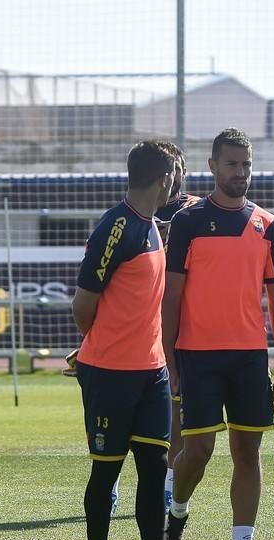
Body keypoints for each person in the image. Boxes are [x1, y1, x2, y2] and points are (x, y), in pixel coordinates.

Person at [72, 140, 206, 540]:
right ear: (165, 178)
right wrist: (99, 347)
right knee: (106, 470)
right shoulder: (117, 227)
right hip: (110, 372)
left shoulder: (151, 226)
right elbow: (83, 303)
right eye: (176, 174)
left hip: (152, 371)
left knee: (153, 469)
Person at [162, 127, 274, 540]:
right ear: (213, 166)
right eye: (232, 164)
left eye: (247, 164)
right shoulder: (188, 221)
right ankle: (176, 515)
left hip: (248, 359)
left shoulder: (267, 225)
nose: (240, 172)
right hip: (196, 356)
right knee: (196, 451)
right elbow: (172, 297)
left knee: (247, 451)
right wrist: (170, 359)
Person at [108, 141, 201, 517]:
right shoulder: (130, 214)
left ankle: (165, 485)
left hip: (180, 322)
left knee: (175, 407)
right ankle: (110, 480)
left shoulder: (195, 212)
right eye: (169, 169)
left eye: (179, 168)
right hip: (135, 325)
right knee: (118, 409)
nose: (173, 177)